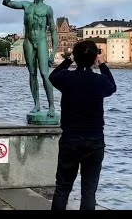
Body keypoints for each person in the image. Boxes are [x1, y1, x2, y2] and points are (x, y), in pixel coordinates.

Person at [48, 40, 117, 210]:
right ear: (94, 58)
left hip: (70, 139)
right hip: (94, 140)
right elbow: (113, 87)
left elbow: (52, 76)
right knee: (89, 192)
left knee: (62, 189)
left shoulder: (66, 78)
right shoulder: (100, 81)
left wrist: (69, 59)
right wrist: (102, 65)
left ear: (76, 58)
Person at [2, 0, 58, 115]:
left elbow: (53, 31)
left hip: (41, 41)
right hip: (28, 42)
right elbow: (6, 2)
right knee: (32, 74)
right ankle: (37, 105)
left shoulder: (48, 9)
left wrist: (53, 53)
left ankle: (51, 106)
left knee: (45, 74)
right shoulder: (26, 5)